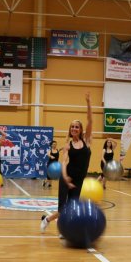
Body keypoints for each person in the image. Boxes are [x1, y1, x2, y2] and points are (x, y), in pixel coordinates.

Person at [41, 93, 92, 232]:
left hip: (79, 179)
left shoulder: (87, 141)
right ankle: (62, 229)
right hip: (67, 177)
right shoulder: (68, 145)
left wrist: (88, 103)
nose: (74, 129)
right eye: (72, 127)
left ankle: (47, 219)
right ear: (70, 130)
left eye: (76, 127)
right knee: (63, 208)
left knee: (72, 207)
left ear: (81, 129)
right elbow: (64, 163)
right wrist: (66, 178)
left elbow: (90, 121)